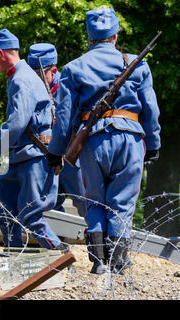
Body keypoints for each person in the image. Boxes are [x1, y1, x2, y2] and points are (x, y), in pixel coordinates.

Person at [45, 8, 161, 274]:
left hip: (93, 141)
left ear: (90, 37)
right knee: (122, 203)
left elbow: (64, 118)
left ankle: (99, 263)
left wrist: (56, 151)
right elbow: (151, 110)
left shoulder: (73, 68)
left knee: (95, 201)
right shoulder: (137, 63)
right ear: (116, 35)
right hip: (130, 140)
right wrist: (153, 143)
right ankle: (119, 262)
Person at [0, 29, 66, 251]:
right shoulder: (21, 75)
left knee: (30, 214)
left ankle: (60, 254)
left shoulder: (21, 78)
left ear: (0, 53)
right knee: (4, 206)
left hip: (36, 156)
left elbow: (16, 124)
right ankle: (14, 254)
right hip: (24, 156)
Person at [27, 43, 87, 218]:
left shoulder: (69, 87)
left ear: (53, 71)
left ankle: (101, 243)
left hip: (71, 158)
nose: (36, 79)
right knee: (49, 207)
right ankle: (58, 245)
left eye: (40, 74)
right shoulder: (30, 90)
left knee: (85, 203)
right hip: (46, 158)